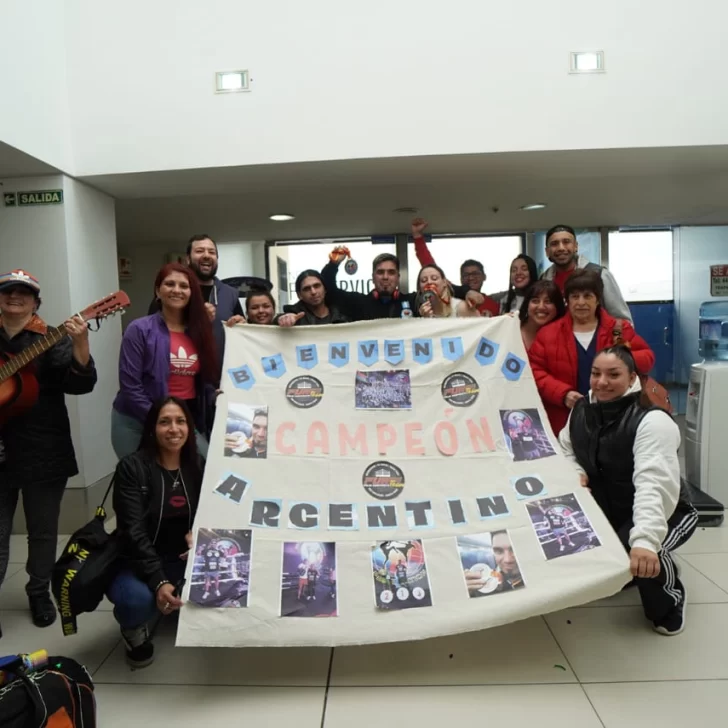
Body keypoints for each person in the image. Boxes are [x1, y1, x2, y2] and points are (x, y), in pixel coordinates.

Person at [559, 344, 698, 635]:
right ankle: (628, 564)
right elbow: (566, 449)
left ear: (632, 376)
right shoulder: (582, 410)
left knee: (644, 554)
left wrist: (645, 540)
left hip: (666, 509)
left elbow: (654, 484)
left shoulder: (652, 420)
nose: (602, 382)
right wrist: (577, 472)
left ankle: (670, 599)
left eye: (613, 374)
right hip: (611, 507)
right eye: (596, 373)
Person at [0, 269, 97, 629]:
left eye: (23, 293)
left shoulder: (51, 338)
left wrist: (80, 344)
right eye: (8, 291)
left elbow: (80, 385)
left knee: (42, 531)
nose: (15, 297)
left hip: (43, 447)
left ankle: (38, 592)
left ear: (35, 303)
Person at [107, 397, 203, 668]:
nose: (174, 429)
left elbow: (216, 508)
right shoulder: (132, 468)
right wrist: (159, 580)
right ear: (152, 428)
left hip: (182, 559)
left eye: (180, 421)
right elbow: (132, 531)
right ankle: (134, 631)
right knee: (136, 601)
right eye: (165, 422)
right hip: (137, 560)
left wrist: (199, 532)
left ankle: (174, 599)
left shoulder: (198, 464)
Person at [112, 263, 219, 460]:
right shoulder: (139, 330)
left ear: (191, 293)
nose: (177, 290)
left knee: (203, 468)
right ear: (157, 291)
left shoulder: (200, 331)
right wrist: (161, 420)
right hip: (136, 420)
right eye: (170, 284)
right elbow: (130, 387)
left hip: (183, 419)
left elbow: (204, 380)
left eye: (184, 286)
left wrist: (215, 395)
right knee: (144, 484)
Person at [529, 269, 654, 435]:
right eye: (575, 296)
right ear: (567, 300)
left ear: (597, 300)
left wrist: (622, 359)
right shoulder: (547, 334)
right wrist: (563, 394)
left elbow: (648, 359)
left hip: (615, 420)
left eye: (588, 296)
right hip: (564, 420)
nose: (581, 302)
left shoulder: (618, 329)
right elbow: (534, 371)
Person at [321, 245, 484, 321]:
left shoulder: (413, 301)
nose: (385, 277)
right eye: (380, 272)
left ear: (398, 278)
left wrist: (466, 291)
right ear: (373, 277)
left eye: (391, 272)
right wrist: (333, 265)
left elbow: (436, 286)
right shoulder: (358, 302)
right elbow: (329, 292)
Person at [147, 235, 245, 353]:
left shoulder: (230, 294)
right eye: (199, 251)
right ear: (187, 259)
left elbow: (242, 337)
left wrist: (242, 326)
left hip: (220, 369)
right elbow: (151, 336)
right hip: (179, 366)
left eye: (212, 252)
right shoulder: (172, 294)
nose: (206, 255)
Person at [540, 224, 632, 321]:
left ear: (576, 246)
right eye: (554, 244)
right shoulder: (544, 280)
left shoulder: (599, 274)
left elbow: (622, 320)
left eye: (566, 242)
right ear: (547, 251)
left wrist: (614, 336)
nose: (561, 248)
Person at [411, 218, 499, 316]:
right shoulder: (453, 295)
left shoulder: (494, 304)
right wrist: (418, 237)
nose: (470, 277)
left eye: (475, 274)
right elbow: (429, 267)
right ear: (460, 279)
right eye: (466, 275)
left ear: (484, 276)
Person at [277, 270, 349, 326]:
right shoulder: (295, 319)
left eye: (317, 286)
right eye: (307, 289)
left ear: (325, 289)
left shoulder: (342, 317)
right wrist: (283, 320)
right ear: (299, 295)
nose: (313, 292)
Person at [416, 265, 480, 318]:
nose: (429, 282)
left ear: (444, 282)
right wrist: (426, 320)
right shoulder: (418, 310)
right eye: (424, 280)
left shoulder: (461, 307)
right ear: (419, 287)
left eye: (434, 278)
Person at [518, 280, 566, 351]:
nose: (541, 307)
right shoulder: (511, 327)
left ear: (558, 307)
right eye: (535, 301)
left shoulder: (563, 338)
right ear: (527, 304)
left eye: (548, 301)